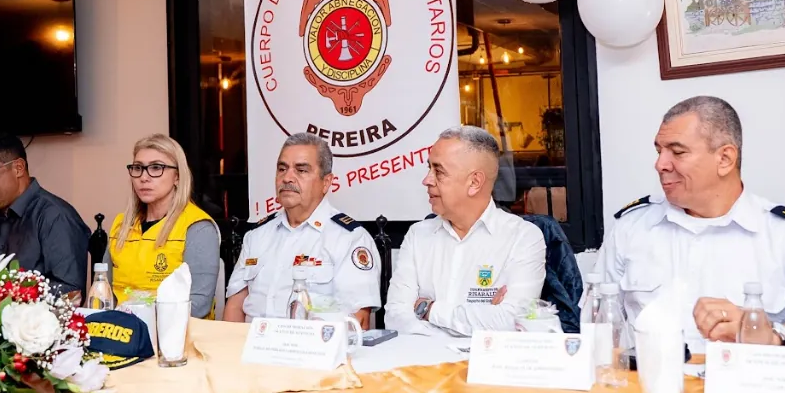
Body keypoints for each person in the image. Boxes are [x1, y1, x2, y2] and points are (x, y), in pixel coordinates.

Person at [596, 96, 785, 350]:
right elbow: (596, 327)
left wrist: (770, 332)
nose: (660, 164)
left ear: (725, 159)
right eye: (659, 151)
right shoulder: (630, 228)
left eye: (677, 152)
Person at [385, 126, 546, 337]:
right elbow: (395, 318)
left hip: (487, 368)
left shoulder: (523, 238)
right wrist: (481, 322)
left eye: (439, 171)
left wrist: (428, 309)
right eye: (429, 169)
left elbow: (513, 323)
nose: (427, 180)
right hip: (422, 367)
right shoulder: (418, 236)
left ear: (474, 182)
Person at [225, 133, 380, 327]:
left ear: (326, 182)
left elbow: (357, 322)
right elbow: (235, 306)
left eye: (301, 170)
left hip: (310, 352)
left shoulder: (350, 239)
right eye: (282, 169)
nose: (287, 177)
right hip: (249, 349)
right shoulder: (256, 236)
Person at [107, 134, 220, 318]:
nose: (144, 177)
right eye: (138, 168)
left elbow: (199, 305)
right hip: (122, 334)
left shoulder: (198, 228)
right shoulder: (121, 225)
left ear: (177, 176)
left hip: (175, 338)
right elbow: (104, 292)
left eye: (156, 168)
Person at [0, 134, 90, 295]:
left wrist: (7, 297)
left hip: (37, 318)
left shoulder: (55, 216)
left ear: (18, 168)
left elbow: (71, 290)